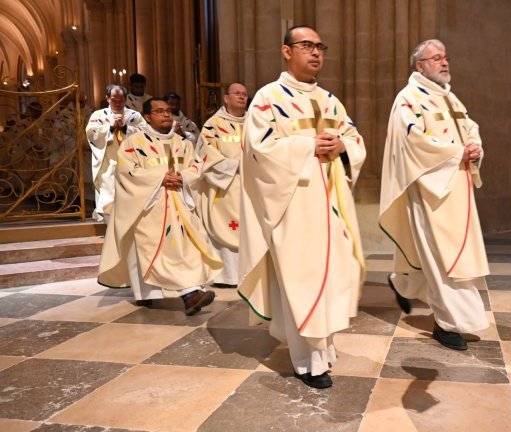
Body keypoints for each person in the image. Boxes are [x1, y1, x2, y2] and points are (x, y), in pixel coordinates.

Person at [239, 25, 366, 389]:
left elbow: (354, 138)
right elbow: (258, 150)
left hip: (332, 202)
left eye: (319, 46)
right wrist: (307, 145)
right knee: (301, 279)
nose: (315, 53)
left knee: (332, 276)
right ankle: (307, 361)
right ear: (286, 51)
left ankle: (322, 348)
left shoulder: (330, 100)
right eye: (306, 46)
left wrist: (342, 147)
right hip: (292, 203)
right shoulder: (267, 98)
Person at [379, 39, 489, 351]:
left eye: (445, 57)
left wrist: (474, 146)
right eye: (436, 58)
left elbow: (470, 127)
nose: (444, 62)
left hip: (456, 186)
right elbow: (412, 140)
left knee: (438, 253)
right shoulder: (408, 99)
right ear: (419, 65)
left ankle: (402, 282)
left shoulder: (450, 99)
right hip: (429, 188)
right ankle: (447, 323)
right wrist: (457, 153)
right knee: (440, 256)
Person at [98, 98, 221, 315]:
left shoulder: (183, 143)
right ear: (147, 117)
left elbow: (196, 167)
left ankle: (190, 292)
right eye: (159, 111)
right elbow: (127, 172)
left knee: (186, 248)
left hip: (180, 204)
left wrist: (181, 177)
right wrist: (159, 179)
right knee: (156, 249)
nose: (166, 115)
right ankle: (185, 293)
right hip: (149, 206)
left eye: (168, 111)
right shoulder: (134, 143)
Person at [196, 83, 248, 288]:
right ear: (226, 98)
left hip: (251, 184)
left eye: (244, 94)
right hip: (225, 184)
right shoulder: (213, 124)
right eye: (237, 93)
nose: (242, 97)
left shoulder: (255, 122)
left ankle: (250, 274)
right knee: (226, 227)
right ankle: (227, 277)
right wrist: (234, 165)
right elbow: (205, 152)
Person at [85, 84, 145, 221]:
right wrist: (110, 127)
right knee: (109, 194)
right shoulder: (99, 115)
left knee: (130, 194)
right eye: (114, 99)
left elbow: (145, 134)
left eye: (121, 100)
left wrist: (126, 129)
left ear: (126, 99)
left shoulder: (134, 116)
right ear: (107, 98)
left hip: (131, 162)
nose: (117, 103)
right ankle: (110, 228)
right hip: (108, 161)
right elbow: (91, 133)